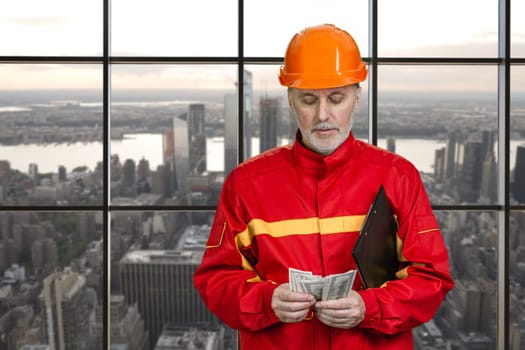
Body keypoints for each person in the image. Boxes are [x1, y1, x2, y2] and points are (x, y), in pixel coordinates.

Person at [194, 23, 454, 350]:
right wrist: (266, 300)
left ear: (356, 98)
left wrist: (369, 307)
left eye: (336, 98)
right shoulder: (246, 185)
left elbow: (431, 278)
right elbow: (216, 280)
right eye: (308, 99)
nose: (323, 115)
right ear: (291, 100)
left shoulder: (398, 178)